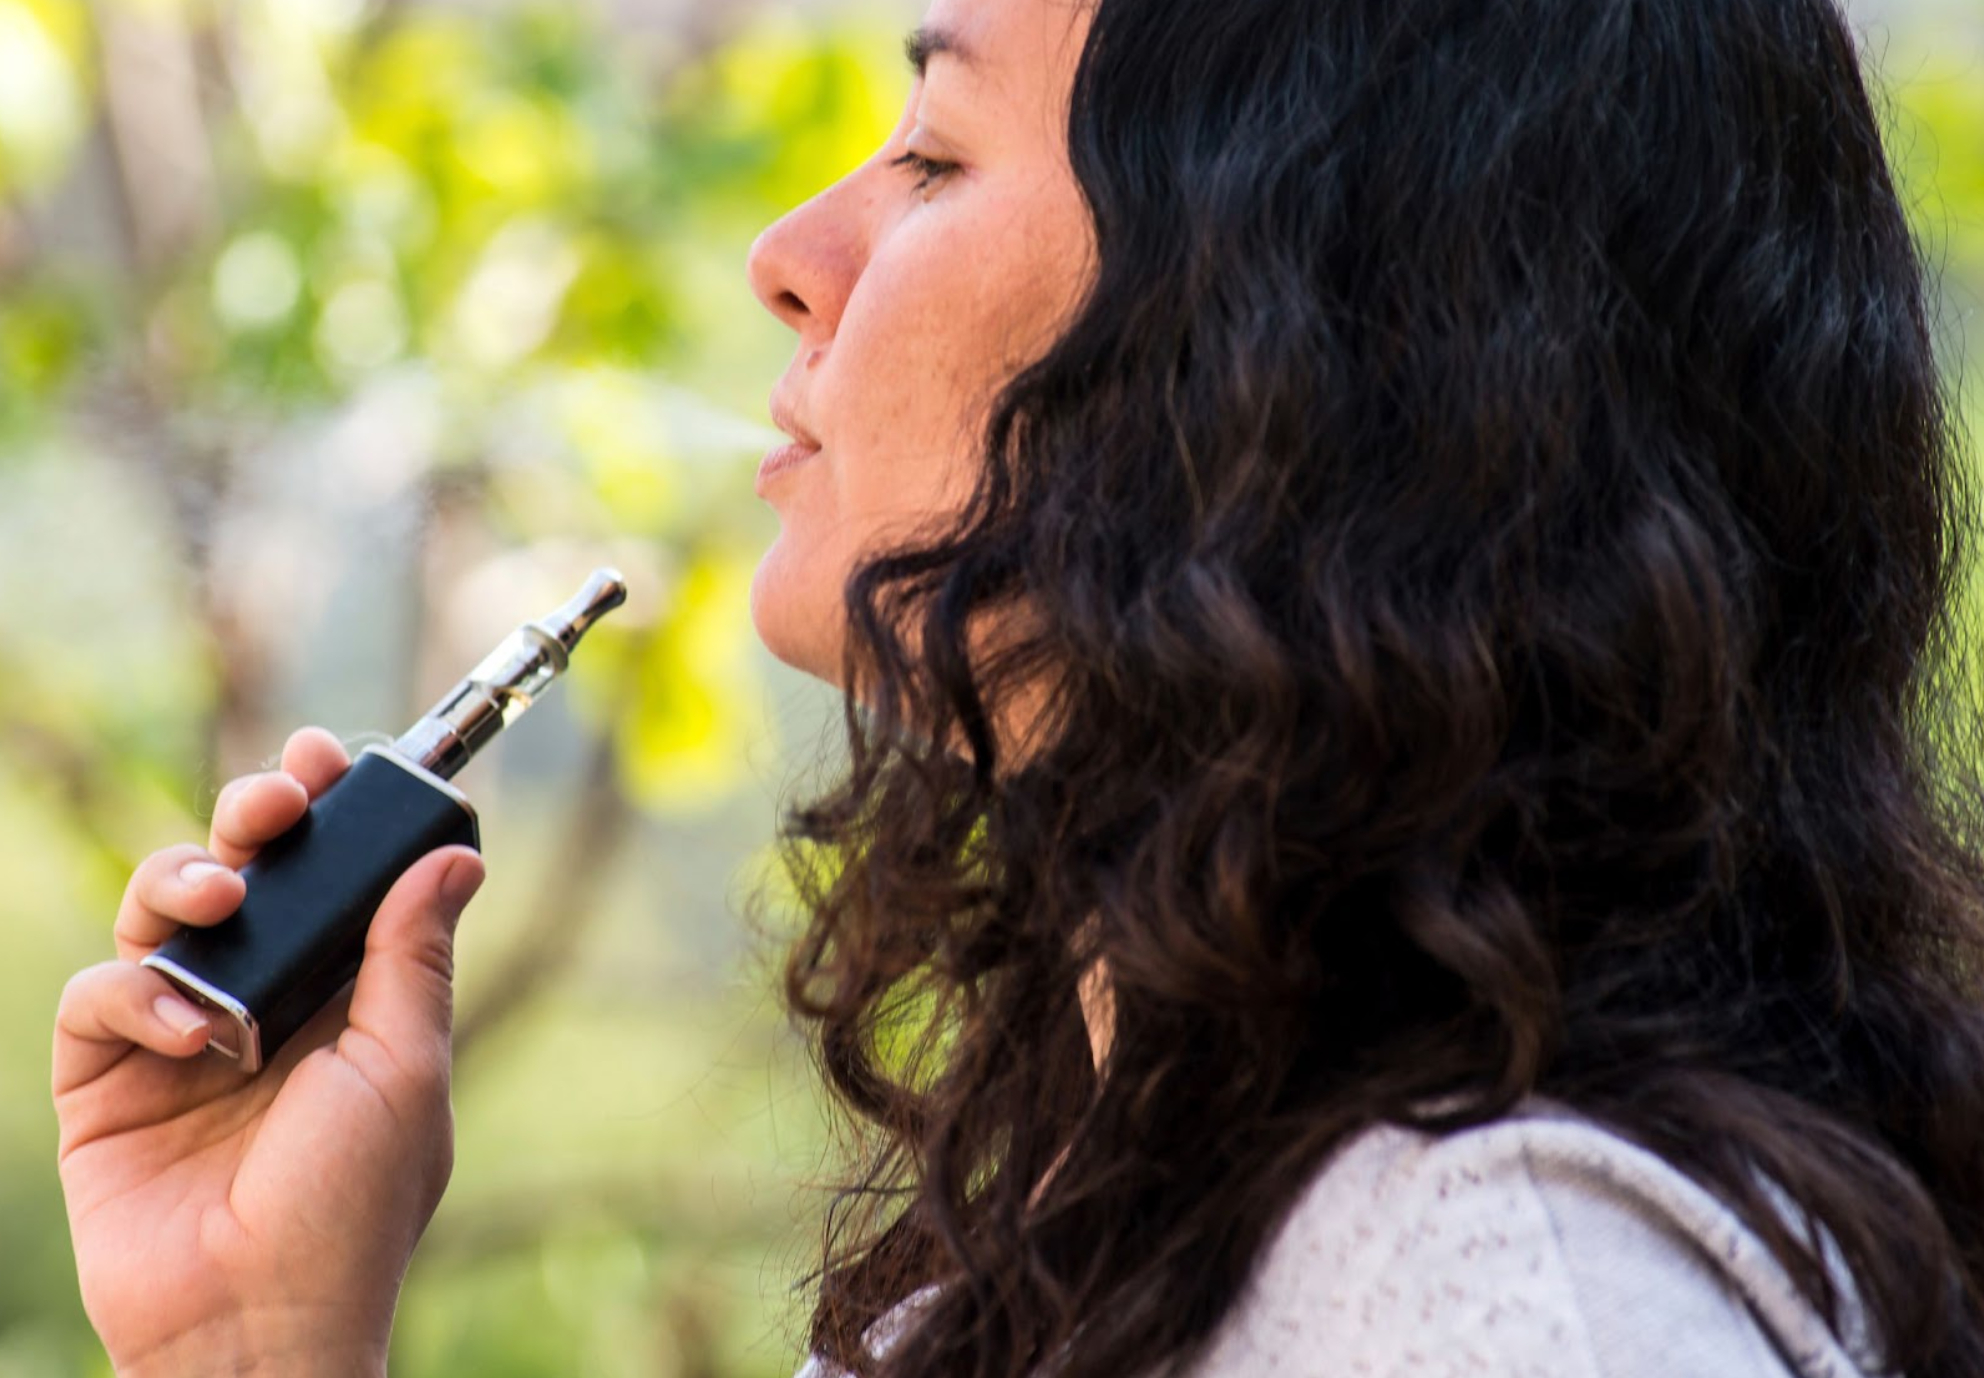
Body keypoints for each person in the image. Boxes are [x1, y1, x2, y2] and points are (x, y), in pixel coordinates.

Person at [51, 0, 1984, 1373]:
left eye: (935, 153)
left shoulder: (1492, 1282)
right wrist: (258, 1347)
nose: (789, 256)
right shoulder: (1103, 1234)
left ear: (1267, 346)